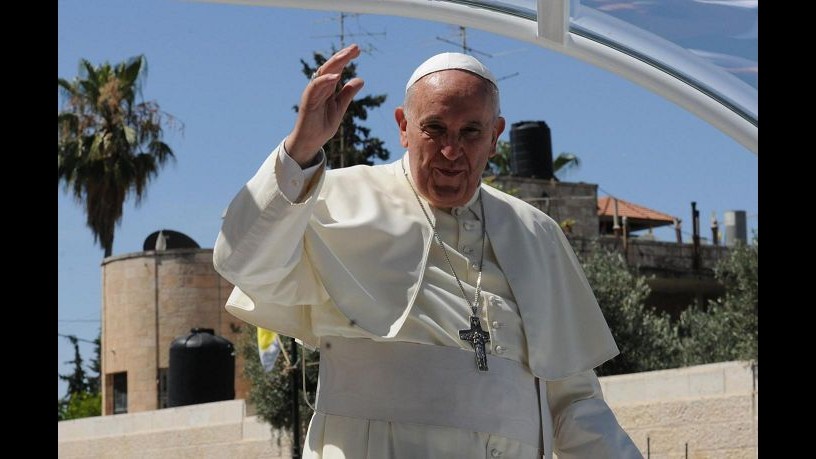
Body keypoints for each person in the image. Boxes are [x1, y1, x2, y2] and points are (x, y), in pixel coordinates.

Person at [213, 43, 643, 459]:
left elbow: (575, 405)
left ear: (495, 136)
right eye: (434, 129)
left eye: (470, 132)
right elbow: (242, 261)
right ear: (403, 125)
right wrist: (300, 150)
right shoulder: (331, 199)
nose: (451, 151)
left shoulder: (537, 234)